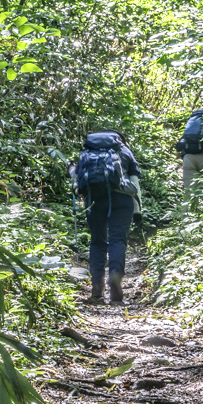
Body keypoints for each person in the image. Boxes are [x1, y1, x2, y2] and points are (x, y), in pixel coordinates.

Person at [71, 130, 142, 304]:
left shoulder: (87, 153)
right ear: (119, 139)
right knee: (118, 240)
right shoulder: (124, 151)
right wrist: (138, 210)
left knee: (97, 241)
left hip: (94, 199)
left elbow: (77, 178)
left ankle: (97, 288)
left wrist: (71, 168)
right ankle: (116, 277)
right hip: (122, 199)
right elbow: (134, 181)